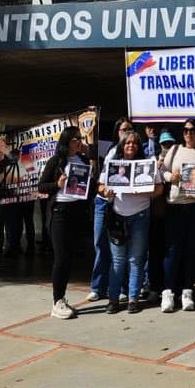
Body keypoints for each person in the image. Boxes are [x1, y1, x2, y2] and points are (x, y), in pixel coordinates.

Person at [99, 127, 162, 313]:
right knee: (118, 261)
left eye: (134, 142)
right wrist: (105, 191)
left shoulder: (147, 164)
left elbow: (159, 189)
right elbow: (100, 186)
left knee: (136, 259)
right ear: (122, 145)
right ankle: (113, 300)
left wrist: (148, 192)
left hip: (141, 215)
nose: (131, 146)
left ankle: (133, 299)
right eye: (127, 142)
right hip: (118, 217)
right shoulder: (113, 163)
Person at [159, 118, 195, 313]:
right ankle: (168, 292)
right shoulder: (174, 150)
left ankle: (187, 291)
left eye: (193, 130)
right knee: (173, 251)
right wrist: (169, 177)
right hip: (175, 205)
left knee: (192, 250)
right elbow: (161, 170)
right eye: (186, 130)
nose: (189, 134)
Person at [39, 125, 91, 319]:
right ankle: (57, 300)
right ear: (67, 142)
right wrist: (57, 185)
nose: (79, 142)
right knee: (61, 257)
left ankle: (62, 298)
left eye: (80, 138)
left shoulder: (83, 160)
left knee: (69, 258)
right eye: (75, 139)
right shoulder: (57, 161)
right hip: (59, 212)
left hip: (76, 212)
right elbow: (42, 186)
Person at [85, 118, 129, 304]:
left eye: (130, 130)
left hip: (122, 204)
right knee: (100, 244)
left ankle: (120, 287)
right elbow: (100, 178)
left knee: (120, 248)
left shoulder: (136, 153)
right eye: (123, 130)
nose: (126, 133)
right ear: (116, 132)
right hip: (104, 202)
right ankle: (98, 287)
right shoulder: (110, 151)